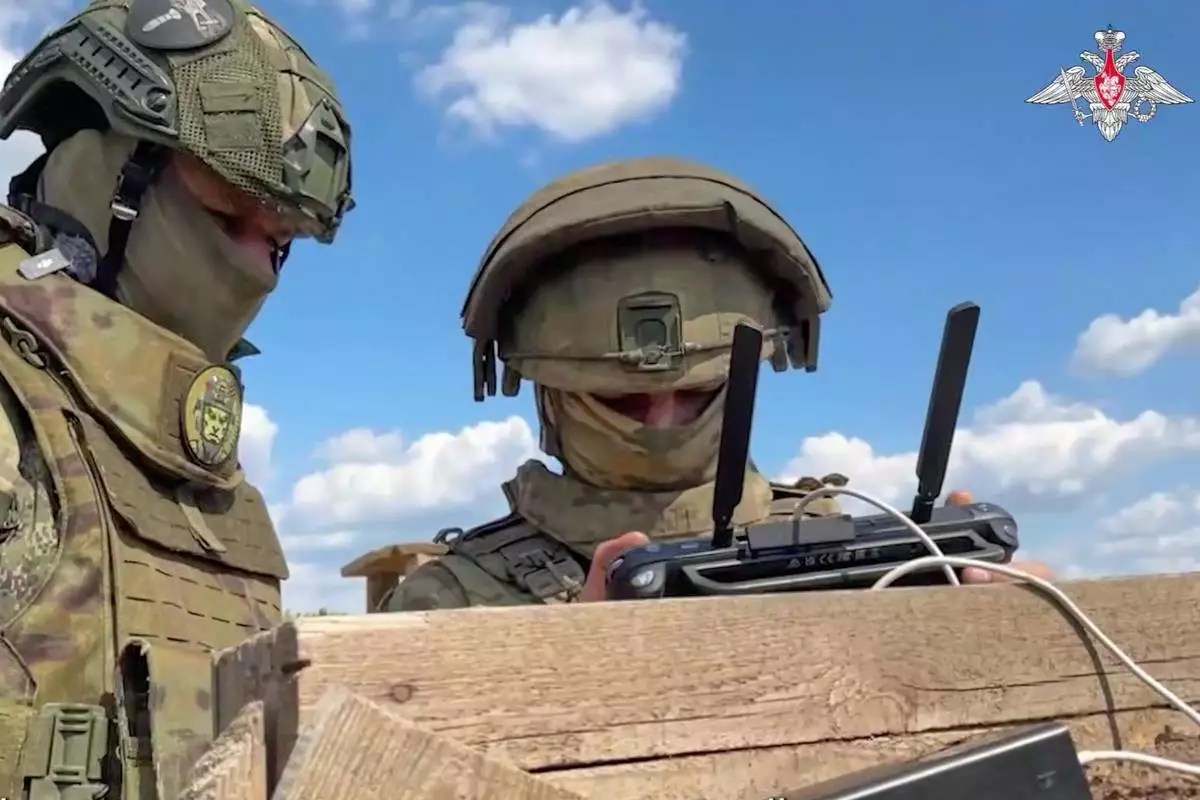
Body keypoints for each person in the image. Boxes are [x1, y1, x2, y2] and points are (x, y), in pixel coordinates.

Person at [387, 157, 1049, 612]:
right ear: (546, 393)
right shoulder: (449, 601)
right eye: (622, 401)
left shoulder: (844, 551)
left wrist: (994, 629)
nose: (664, 419)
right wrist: (568, 665)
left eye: (699, 395)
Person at [0, 0, 352, 797]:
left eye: (281, 242)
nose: (258, 267)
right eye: (228, 210)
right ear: (105, 169)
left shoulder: (200, 458)